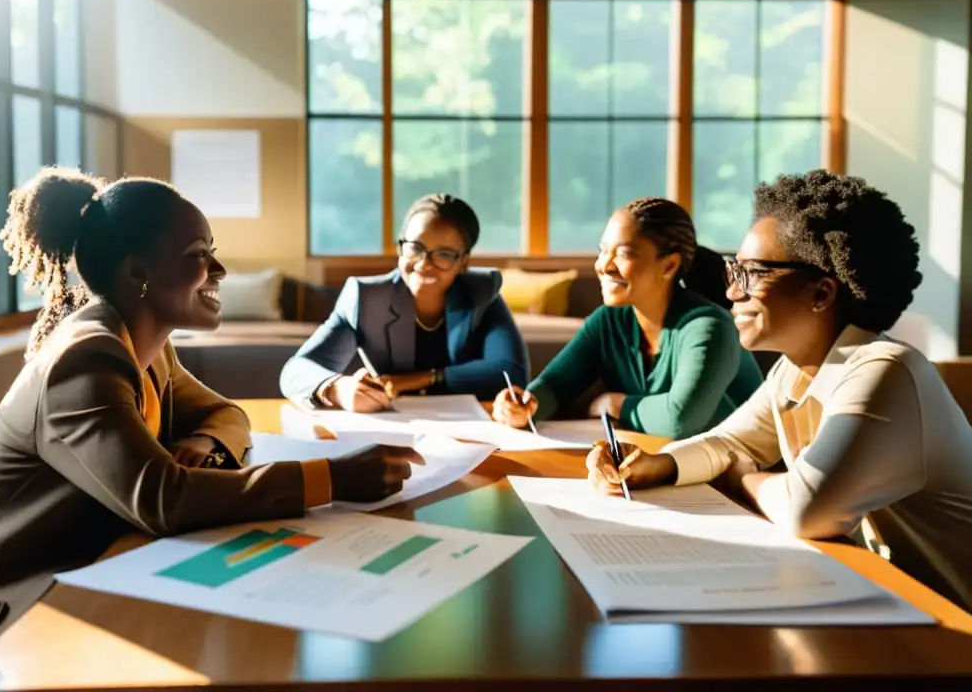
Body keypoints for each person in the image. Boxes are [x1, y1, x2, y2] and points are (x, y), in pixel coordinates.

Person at [0, 168, 420, 647]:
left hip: (66, 581)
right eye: (198, 254)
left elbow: (228, 416)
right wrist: (334, 478)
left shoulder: (145, 346)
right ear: (138, 273)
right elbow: (163, 500)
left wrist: (203, 440)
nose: (218, 271)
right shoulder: (86, 359)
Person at [587, 170, 972, 610]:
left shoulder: (887, 372)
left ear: (822, 293)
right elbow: (729, 441)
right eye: (735, 270)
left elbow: (806, 509)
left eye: (751, 274)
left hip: (954, 627)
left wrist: (741, 476)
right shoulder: (794, 370)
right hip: (891, 603)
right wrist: (655, 465)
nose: (732, 290)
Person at [492, 198, 763, 438]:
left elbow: (681, 420)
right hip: (669, 469)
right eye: (603, 250)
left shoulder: (709, 327)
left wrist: (618, 404)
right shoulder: (608, 321)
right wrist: (525, 405)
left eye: (623, 254)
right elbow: (556, 385)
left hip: (740, 483)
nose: (603, 265)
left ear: (670, 265)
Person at [280, 193, 530, 411]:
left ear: (463, 261)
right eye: (415, 247)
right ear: (401, 247)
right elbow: (296, 370)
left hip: (470, 432)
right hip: (393, 432)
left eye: (444, 254)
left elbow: (510, 372)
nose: (424, 264)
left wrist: (417, 379)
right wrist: (337, 388)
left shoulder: (481, 293)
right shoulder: (366, 298)